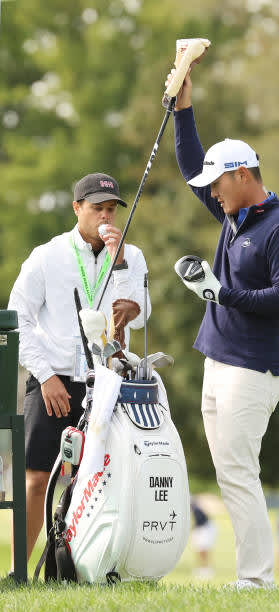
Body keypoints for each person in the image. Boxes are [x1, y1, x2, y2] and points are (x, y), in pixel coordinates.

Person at [169, 70, 279, 590]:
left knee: (238, 474)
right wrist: (184, 109)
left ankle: (255, 580)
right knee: (231, 472)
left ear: (243, 175)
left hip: (252, 369)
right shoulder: (234, 216)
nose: (211, 194)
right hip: (218, 361)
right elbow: (189, 167)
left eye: (218, 184)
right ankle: (253, 576)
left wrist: (220, 293)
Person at [8, 172, 151, 565]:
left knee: (104, 481)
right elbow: (16, 319)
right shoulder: (47, 255)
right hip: (53, 380)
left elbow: (140, 318)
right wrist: (46, 375)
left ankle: (95, 566)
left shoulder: (131, 255)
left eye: (111, 209)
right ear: (77, 208)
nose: (105, 217)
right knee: (37, 479)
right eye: (97, 208)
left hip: (107, 383)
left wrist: (131, 297)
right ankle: (19, 569)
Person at [190, 497, 217, 579]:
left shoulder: (196, 510)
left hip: (205, 529)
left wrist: (191, 529)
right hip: (204, 528)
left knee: (203, 548)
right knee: (199, 549)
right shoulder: (195, 509)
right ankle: (202, 568)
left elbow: (199, 523)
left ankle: (206, 569)